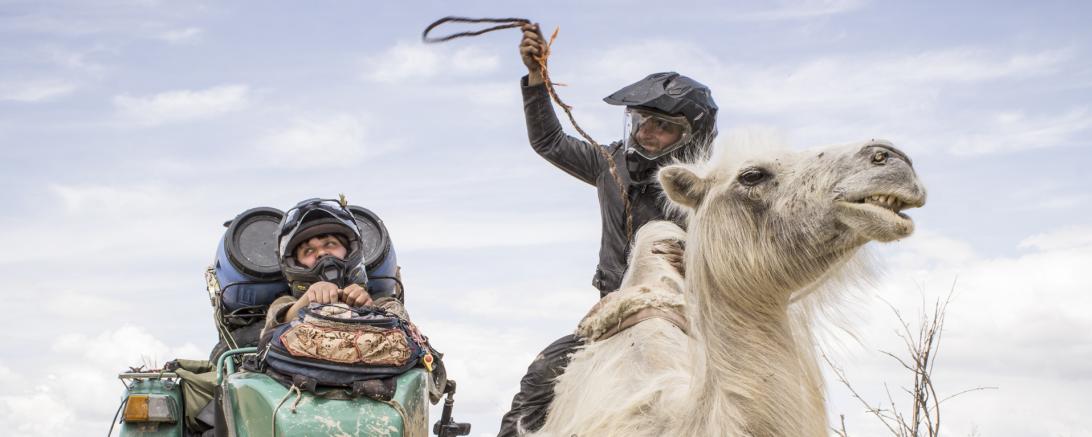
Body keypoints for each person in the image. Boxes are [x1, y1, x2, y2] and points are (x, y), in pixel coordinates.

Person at [498, 23, 719, 436]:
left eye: (660, 125)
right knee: (539, 378)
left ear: (691, 133)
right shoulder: (609, 163)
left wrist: (697, 260)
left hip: (692, 319)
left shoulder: (710, 190)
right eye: (640, 120)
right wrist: (536, 76)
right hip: (613, 314)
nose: (644, 132)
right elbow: (548, 141)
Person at [264, 198, 409, 330]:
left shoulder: (382, 302)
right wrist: (307, 300)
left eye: (330, 244)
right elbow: (275, 323)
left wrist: (369, 309)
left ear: (349, 248)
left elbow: (401, 323)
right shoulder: (286, 303)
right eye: (308, 250)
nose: (321, 253)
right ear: (294, 263)